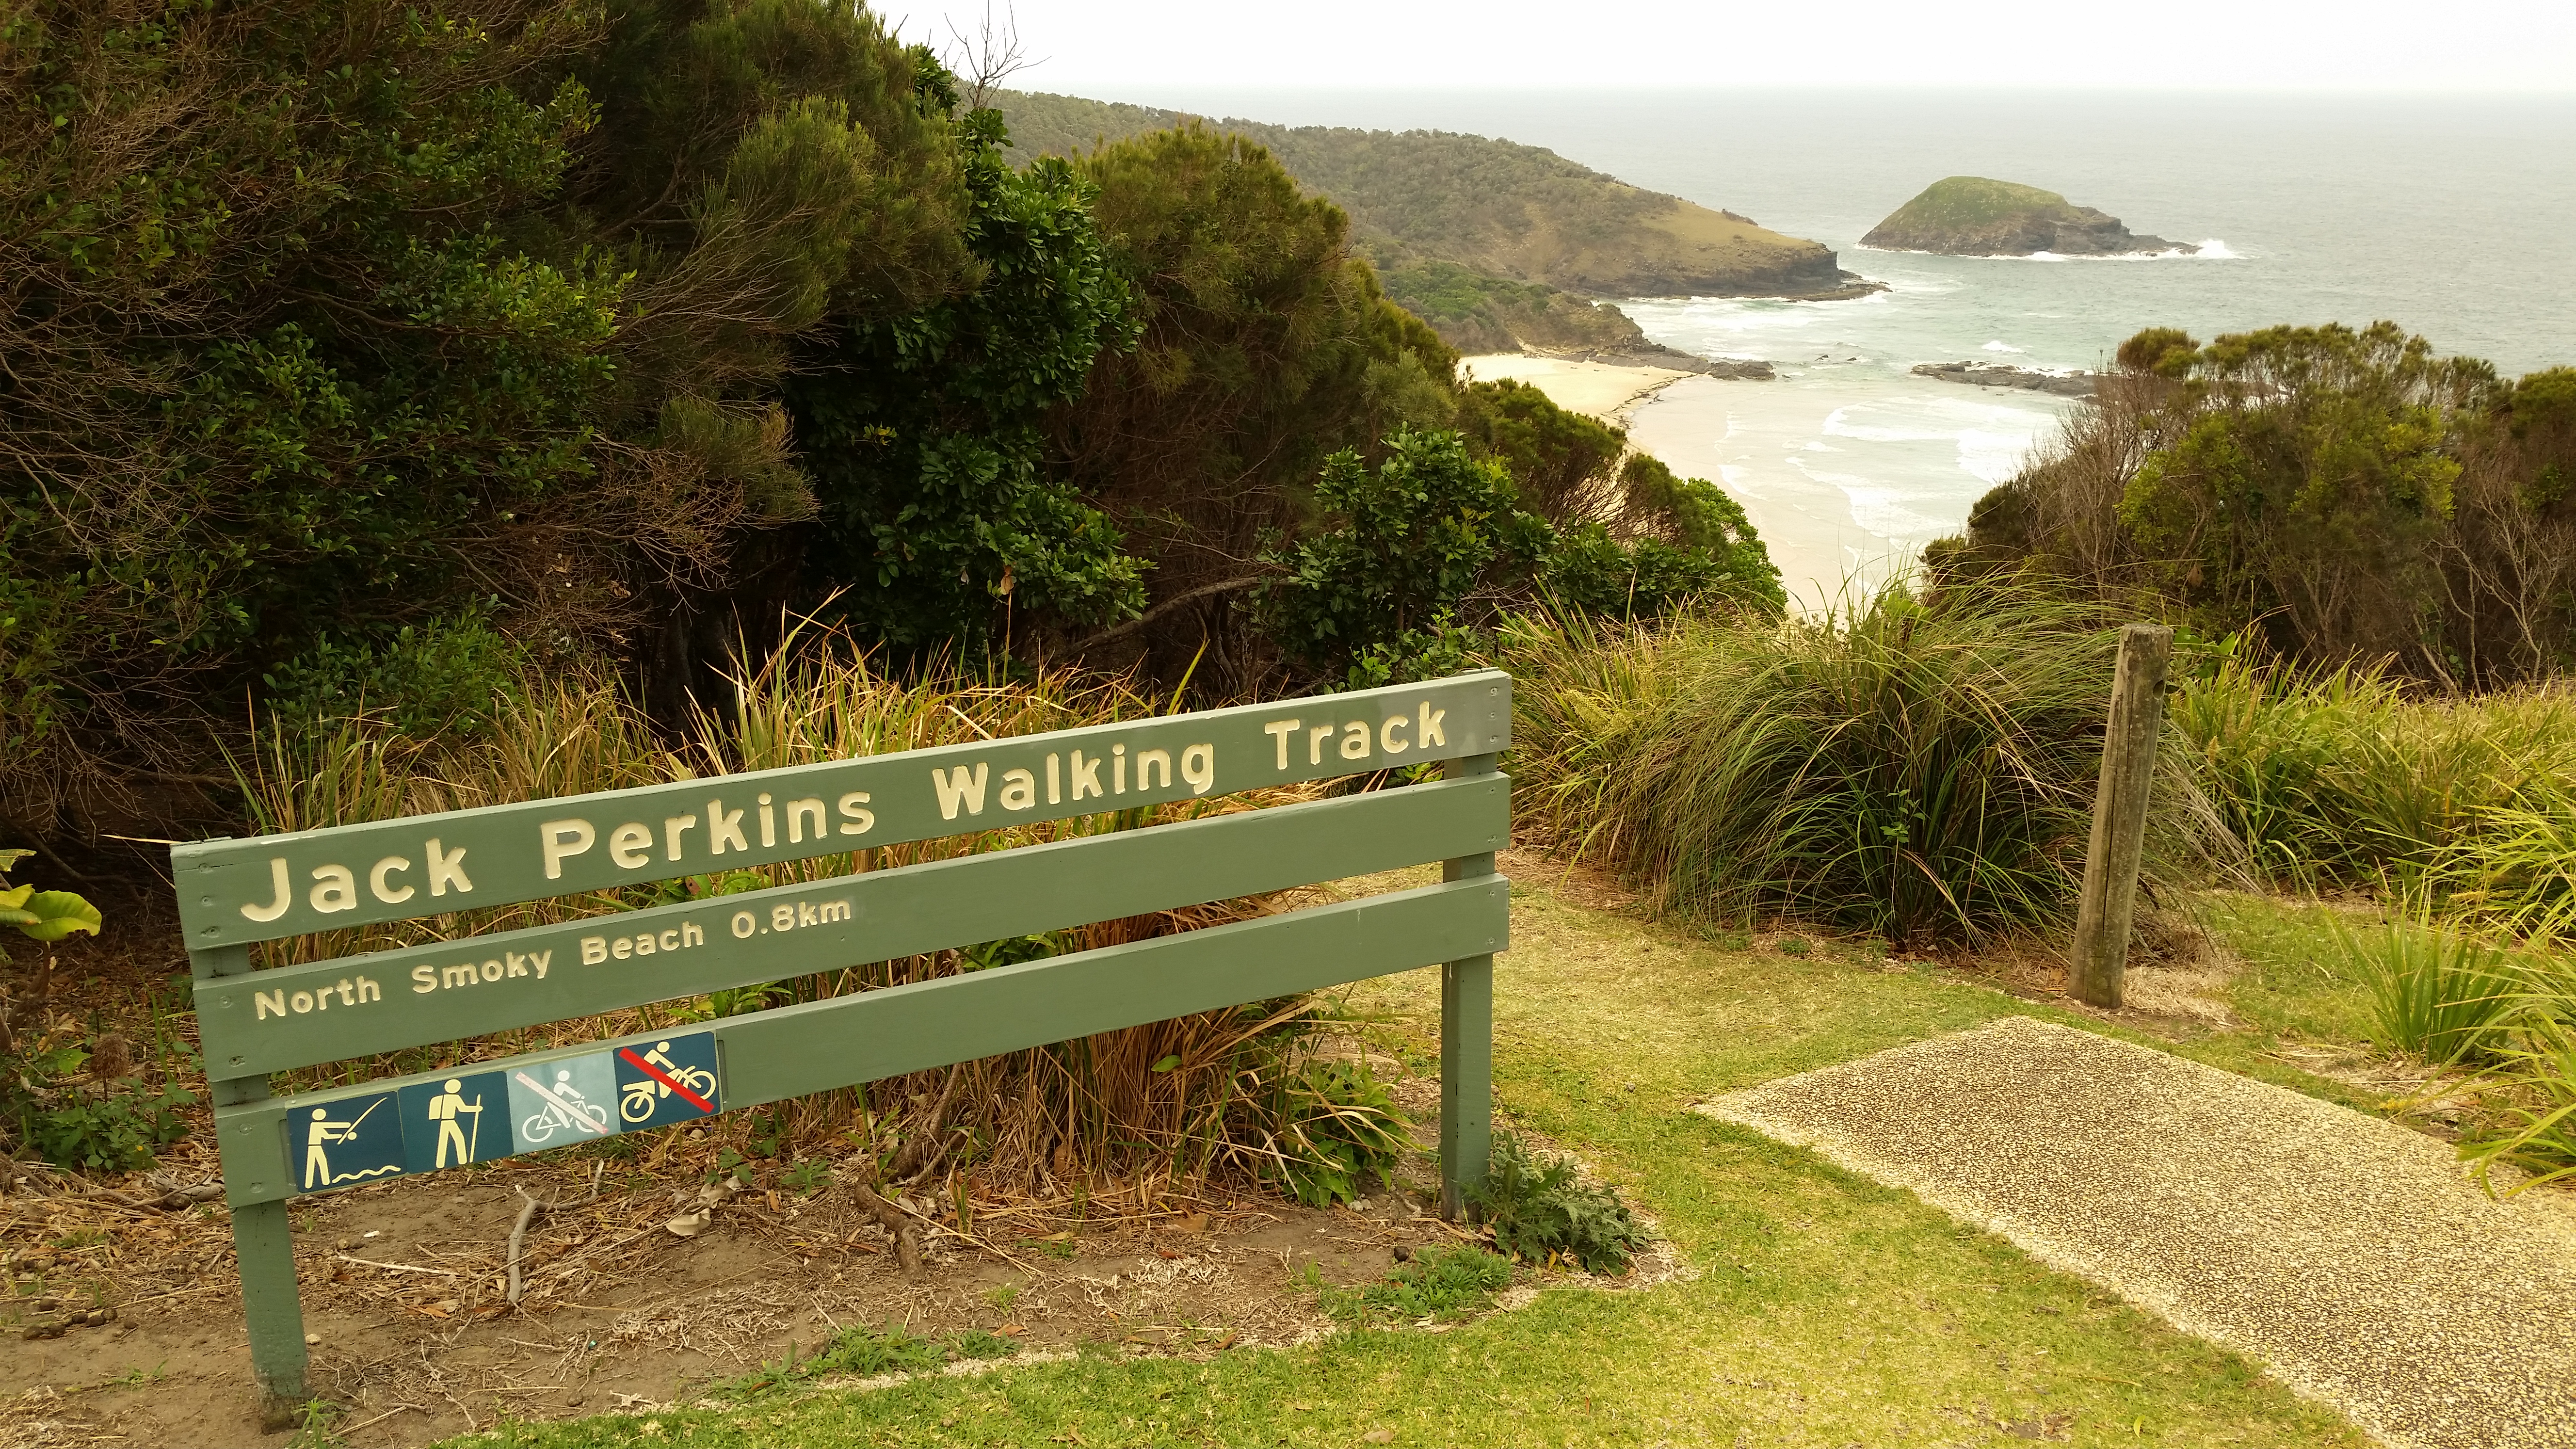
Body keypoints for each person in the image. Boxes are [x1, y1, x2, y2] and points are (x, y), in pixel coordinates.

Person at [426, 1078, 484, 1168]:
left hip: (444, 1122)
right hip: (450, 1121)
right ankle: (463, 1161)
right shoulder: (454, 1097)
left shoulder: (441, 1098)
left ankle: (440, 1163)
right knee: (459, 1138)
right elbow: (463, 1109)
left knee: (443, 1142)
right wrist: (477, 1109)